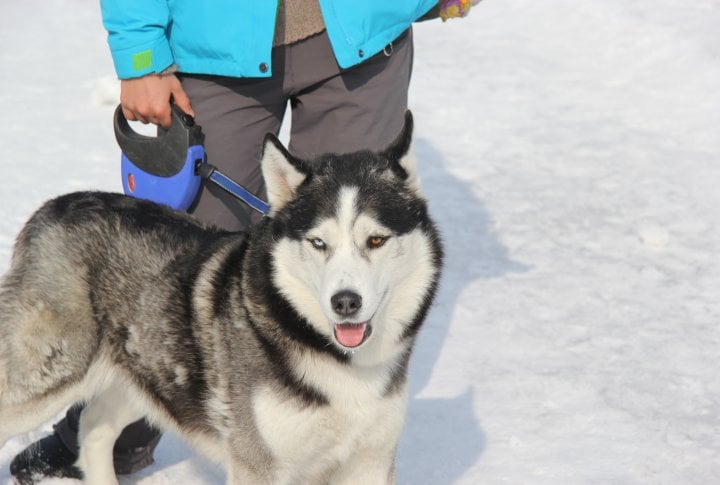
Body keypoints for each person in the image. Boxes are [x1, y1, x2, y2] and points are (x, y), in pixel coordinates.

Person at [10, 0, 480, 482]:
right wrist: (140, 51)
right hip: (217, 41)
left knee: (361, 269)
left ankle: (334, 446)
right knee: (180, 288)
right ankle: (106, 430)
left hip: (363, 32)